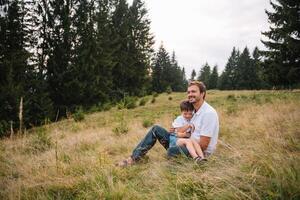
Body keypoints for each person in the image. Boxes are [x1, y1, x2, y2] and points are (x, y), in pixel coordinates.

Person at [117, 81, 219, 167]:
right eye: (188, 92)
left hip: (196, 151)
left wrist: (182, 143)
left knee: (172, 151)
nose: (190, 94)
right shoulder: (194, 112)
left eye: (193, 91)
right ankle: (134, 158)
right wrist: (176, 133)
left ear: (202, 94)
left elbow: (204, 146)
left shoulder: (208, 113)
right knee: (156, 129)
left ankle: (192, 162)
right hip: (185, 143)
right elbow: (182, 129)